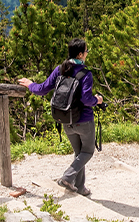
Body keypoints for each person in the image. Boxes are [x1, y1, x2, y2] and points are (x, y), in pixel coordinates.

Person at [18, 39, 103, 197]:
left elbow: (42, 89)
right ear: (80, 54)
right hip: (83, 120)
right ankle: (67, 177)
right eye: (86, 51)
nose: (86, 53)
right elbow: (86, 99)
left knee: (79, 153)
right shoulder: (85, 74)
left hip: (64, 119)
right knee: (88, 152)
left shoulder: (60, 69)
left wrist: (30, 84)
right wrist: (96, 100)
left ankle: (80, 187)